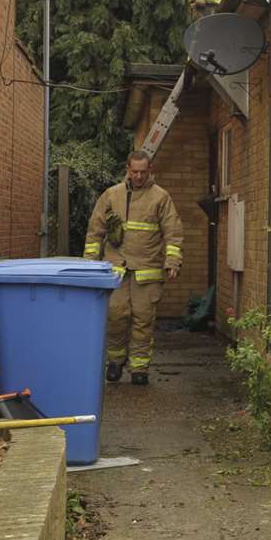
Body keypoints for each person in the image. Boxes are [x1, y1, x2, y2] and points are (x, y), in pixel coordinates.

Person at [85, 152, 184, 386]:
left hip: (147, 272)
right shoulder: (111, 195)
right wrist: (90, 263)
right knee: (115, 317)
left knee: (143, 320)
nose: (139, 176)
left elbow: (173, 232)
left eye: (143, 171)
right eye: (135, 171)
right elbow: (95, 231)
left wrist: (172, 261)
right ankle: (115, 362)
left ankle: (140, 368)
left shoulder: (161, 197)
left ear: (151, 170)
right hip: (116, 271)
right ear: (128, 169)